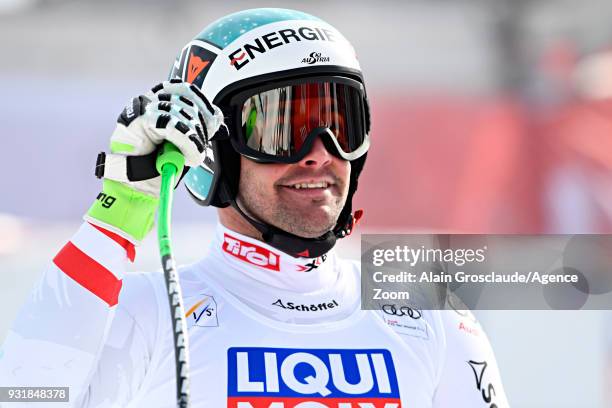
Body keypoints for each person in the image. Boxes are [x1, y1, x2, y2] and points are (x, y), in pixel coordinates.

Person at [0, 8, 509, 407]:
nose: (319, 152)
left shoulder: (429, 314)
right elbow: (24, 396)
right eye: (279, 129)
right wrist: (120, 209)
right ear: (215, 155)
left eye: (340, 123)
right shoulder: (151, 313)